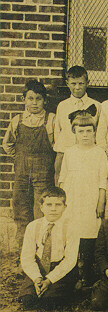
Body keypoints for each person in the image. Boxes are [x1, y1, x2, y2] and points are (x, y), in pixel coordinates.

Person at [2, 80, 56, 252]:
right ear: (24, 99)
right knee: (21, 211)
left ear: (45, 101)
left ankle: (42, 253)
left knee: (42, 212)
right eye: (30, 98)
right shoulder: (17, 121)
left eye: (38, 99)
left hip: (43, 174)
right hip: (22, 175)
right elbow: (8, 144)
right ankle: (23, 254)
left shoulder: (51, 120)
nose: (34, 103)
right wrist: (20, 157)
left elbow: (57, 146)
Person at [58, 111, 107, 287]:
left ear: (94, 132)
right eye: (81, 131)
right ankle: (71, 273)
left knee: (89, 233)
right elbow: (63, 178)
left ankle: (87, 274)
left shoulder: (99, 152)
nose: (85, 135)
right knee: (73, 233)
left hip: (90, 200)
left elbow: (103, 181)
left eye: (88, 131)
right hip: (72, 200)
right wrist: (63, 204)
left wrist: (100, 202)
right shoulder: (70, 152)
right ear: (75, 133)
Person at [18, 187, 80, 310]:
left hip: (60, 268)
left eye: (58, 205)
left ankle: (65, 289)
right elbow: (27, 257)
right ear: (41, 207)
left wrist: (49, 280)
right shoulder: (33, 226)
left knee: (50, 302)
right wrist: (37, 278)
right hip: (40, 267)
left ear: (64, 207)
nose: (53, 209)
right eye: (49, 204)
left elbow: (70, 260)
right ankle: (36, 286)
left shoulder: (71, 227)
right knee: (28, 300)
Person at [53, 66, 101, 183]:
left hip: (86, 153)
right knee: (62, 180)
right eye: (73, 83)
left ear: (87, 83)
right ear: (67, 83)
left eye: (81, 83)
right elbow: (58, 130)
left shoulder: (96, 105)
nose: (77, 87)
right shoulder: (62, 106)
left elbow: (99, 131)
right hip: (65, 150)